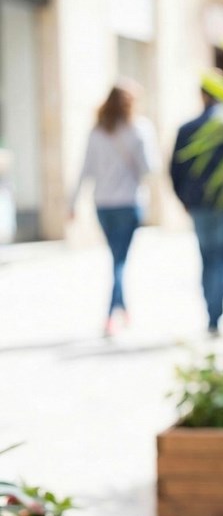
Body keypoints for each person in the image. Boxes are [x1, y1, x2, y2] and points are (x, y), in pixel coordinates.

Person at [71, 80, 158, 336]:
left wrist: (73, 202)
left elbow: (84, 170)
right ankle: (111, 314)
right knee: (119, 260)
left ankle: (123, 308)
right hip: (129, 203)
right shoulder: (139, 129)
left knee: (116, 257)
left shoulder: (97, 132)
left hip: (103, 205)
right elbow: (149, 168)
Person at [170, 81, 223, 337]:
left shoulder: (188, 128)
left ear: (202, 95)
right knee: (222, 258)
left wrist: (185, 200)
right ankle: (216, 314)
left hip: (200, 204)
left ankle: (212, 314)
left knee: (207, 257)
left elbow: (175, 170)